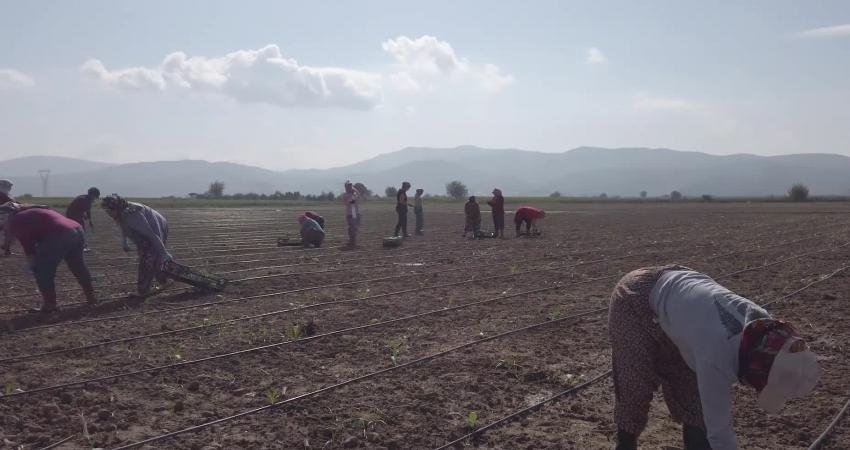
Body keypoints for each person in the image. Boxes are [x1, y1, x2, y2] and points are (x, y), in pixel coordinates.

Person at [609, 265, 819, 450]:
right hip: (638, 295)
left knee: (695, 404)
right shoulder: (716, 356)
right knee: (634, 385)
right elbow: (720, 433)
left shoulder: (764, 327)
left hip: (685, 301)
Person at [1, 202, 97, 312]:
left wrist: (32, 265)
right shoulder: (28, 213)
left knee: (42, 270)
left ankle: (50, 305)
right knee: (77, 265)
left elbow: (29, 248)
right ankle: (91, 296)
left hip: (59, 233)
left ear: (4, 217)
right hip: (77, 229)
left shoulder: (16, 220)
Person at [101, 195, 172, 296]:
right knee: (148, 255)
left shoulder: (133, 215)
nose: (108, 213)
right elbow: (123, 226)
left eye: (109, 211)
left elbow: (152, 235)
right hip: (146, 231)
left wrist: (164, 253)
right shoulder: (119, 212)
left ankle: (144, 290)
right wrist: (124, 241)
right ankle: (164, 281)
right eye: (106, 211)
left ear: (116, 208)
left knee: (148, 259)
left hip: (157, 226)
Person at [66, 187, 101, 251]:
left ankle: (80, 245)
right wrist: (88, 219)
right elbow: (85, 210)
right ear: (92, 195)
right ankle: (82, 246)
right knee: (81, 230)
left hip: (73, 214)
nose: (95, 199)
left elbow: (83, 210)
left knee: (78, 230)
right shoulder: (85, 199)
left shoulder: (84, 198)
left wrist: (87, 219)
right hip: (73, 215)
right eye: (95, 197)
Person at [341, 181, 361, 250]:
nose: (350, 187)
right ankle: (352, 241)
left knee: (355, 228)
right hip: (350, 214)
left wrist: (355, 190)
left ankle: (352, 241)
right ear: (346, 187)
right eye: (349, 186)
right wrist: (352, 197)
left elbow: (359, 197)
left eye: (351, 185)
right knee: (352, 227)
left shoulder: (354, 194)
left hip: (356, 213)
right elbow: (348, 202)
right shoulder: (345, 195)